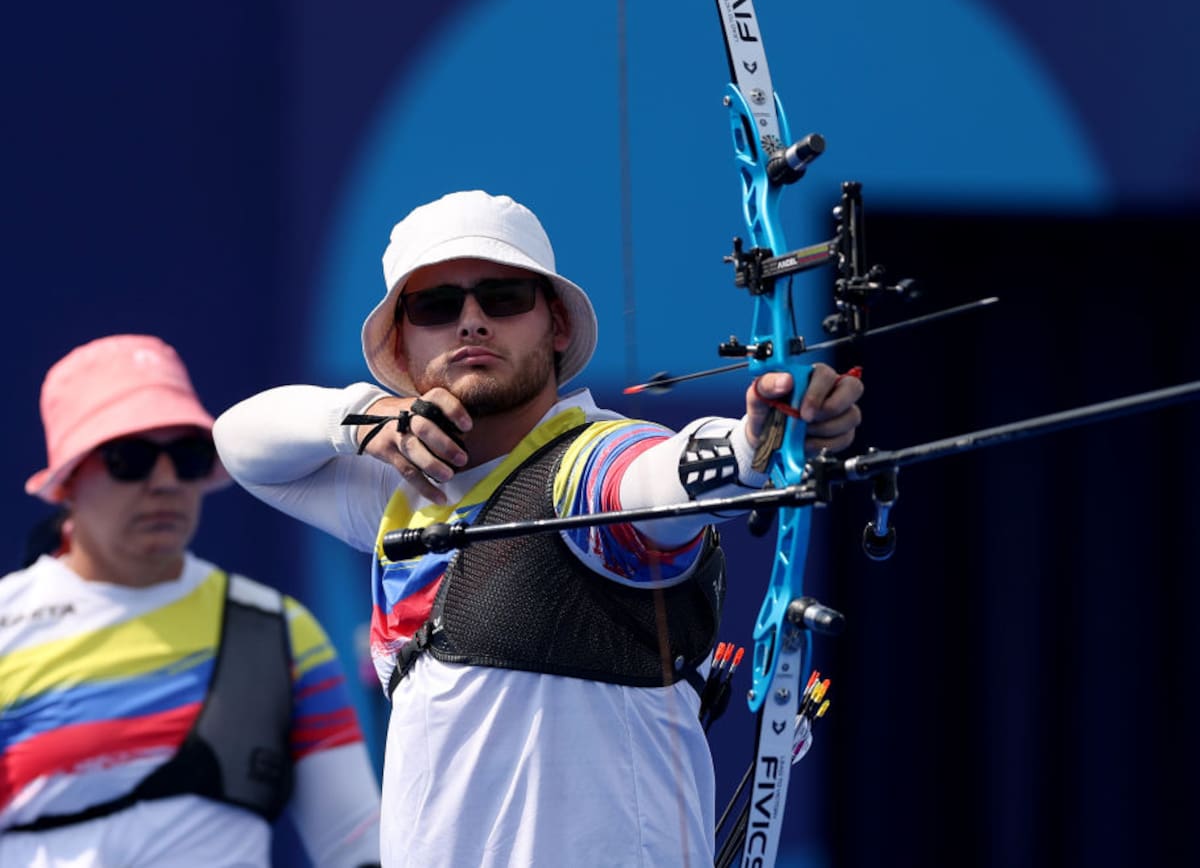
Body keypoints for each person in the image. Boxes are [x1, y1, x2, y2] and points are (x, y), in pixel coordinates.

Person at [212, 190, 864, 867]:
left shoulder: (592, 463)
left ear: (554, 324)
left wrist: (758, 441)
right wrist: (362, 415)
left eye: (502, 297)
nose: (471, 323)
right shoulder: (401, 494)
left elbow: (660, 475)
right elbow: (240, 445)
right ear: (403, 347)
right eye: (437, 306)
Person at [0, 334, 382, 868]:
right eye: (128, 457)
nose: (164, 481)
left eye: (187, 455)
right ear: (66, 482)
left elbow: (356, 847)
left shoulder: (281, 632)